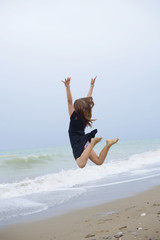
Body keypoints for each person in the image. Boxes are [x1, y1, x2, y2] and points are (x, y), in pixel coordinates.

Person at [62, 76, 119, 168]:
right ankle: (108, 144)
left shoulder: (74, 116)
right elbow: (88, 99)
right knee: (99, 161)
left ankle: (92, 143)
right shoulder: (84, 117)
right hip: (84, 140)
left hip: (77, 142)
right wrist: (92, 85)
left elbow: (69, 101)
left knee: (81, 164)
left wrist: (67, 87)